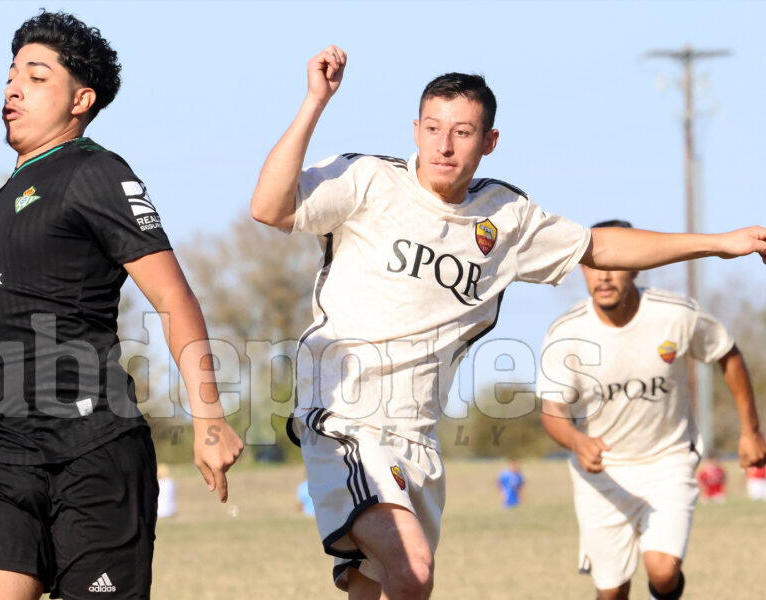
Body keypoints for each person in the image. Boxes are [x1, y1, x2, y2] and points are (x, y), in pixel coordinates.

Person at [249, 45, 766, 599]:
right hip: (345, 417)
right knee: (414, 568)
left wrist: (717, 244)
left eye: (463, 131)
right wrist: (315, 101)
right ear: (415, 131)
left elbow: (602, 247)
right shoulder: (369, 180)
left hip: (418, 435)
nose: (444, 145)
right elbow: (269, 207)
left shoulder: (506, 218)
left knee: (378, 588)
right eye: (433, 127)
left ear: (490, 141)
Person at [0, 11, 243, 600]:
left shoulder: (95, 172)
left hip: (91, 451)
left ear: (81, 99)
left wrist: (208, 416)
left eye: (35, 76)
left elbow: (172, 295)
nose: (10, 88)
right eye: (10, 75)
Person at [537, 219, 766, 600]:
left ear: (637, 263)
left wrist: (750, 431)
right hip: (602, 474)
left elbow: (727, 354)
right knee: (611, 592)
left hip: (668, 462)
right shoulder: (566, 333)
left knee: (662, 570)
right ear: (581, 268)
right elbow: (552, 409)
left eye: (615, 263)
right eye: (593, 265)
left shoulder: (674, 315)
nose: (604, 276)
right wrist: (578, 442)